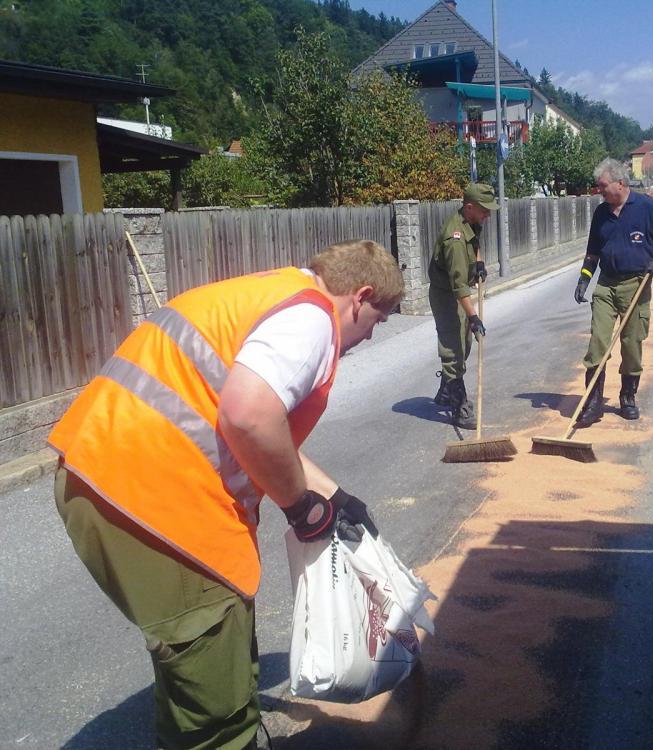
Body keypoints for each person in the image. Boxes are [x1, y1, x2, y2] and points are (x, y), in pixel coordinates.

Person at [49, 240, 403, 750]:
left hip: (99, 473)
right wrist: (301, 507)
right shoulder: (311, 320)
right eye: (377, 321)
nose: (370, 335)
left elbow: (257, 427)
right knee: (215, 699)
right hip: (155, 498)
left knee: (203, 666)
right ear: (360, 297)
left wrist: (335, 496)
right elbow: (249, 416)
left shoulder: (275, 293)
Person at [574, 158, 653, 423]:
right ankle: (593, 403)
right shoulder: (601, 213)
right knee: (598, 342)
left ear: (620, 183)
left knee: (632, 343)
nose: (599, 190)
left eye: (603, 186)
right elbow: (592, 252)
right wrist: (584, 280)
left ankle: (628, 396)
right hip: (606, 285)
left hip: (636, 284)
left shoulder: (645, 207)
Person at [428, 183, 499, 429]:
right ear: (469, 207)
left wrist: (478, 263)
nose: (488, 214)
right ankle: (459, 408)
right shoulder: (454, 240)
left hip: (457, 291)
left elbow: (475, 241)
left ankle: (445, 390)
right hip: (446, 295)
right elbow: (458, 286)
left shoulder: (471, 222)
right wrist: (473, 317)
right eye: (484, 210)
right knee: (453, 348)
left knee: (465, 345)